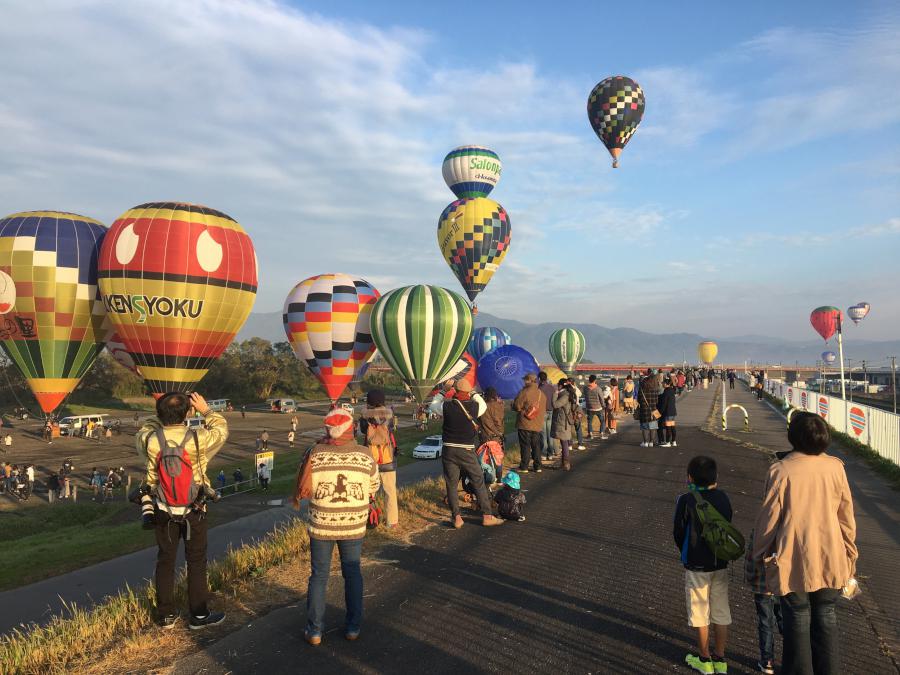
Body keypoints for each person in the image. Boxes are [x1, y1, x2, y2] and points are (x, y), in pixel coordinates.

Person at [752, 412, 857, 675]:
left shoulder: (781, 470)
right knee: (826, 615)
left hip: (793, 556)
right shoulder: (836, 467)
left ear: (793, 437)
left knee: (797, 617)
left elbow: (768, 520)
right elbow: (846, 516)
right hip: (832, 553)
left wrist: (759, 553)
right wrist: (850, 554)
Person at [137, 391, 228, 630]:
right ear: (189, 412)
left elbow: (146, 427)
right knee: (196, 561)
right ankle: (198, 615)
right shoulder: (199, 438)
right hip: (194, 508)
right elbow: (221, 430)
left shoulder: (150, 439)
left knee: (165, 561)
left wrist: (160, 412)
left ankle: (166, 615)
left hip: (161, 508)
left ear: (158, 414)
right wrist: (206, 410)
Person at [299, 408, 380, 645]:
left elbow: (305, 487)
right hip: (353, 523)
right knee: (352, 572)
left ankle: (315, 630)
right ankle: (353, 627)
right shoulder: (364, 455)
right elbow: (373, 486)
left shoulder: (315, 453)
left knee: (319, 576)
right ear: (350, 427)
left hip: (321, 523)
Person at [674, 456, 734, 675]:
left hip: (696, 565)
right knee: (720, 610)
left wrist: (686, 552)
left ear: (689, 478)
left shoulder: (686, 500)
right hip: (720, 562)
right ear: (716, 478)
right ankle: (720, 659)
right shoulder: (723, 498)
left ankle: (704, 659)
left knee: (700, 612)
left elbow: (678, 532)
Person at [441, 379, 505, 528]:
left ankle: (456, 518)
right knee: (478, 481)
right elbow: (482, 404)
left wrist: (444, 390)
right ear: (468, 392)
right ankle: (487, 516)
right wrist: (474, 392)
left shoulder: (447, 406)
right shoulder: (475, 406)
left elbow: (433, 406)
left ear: (455, 390)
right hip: (467, 449)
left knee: (451, 484)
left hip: (448, 449)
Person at [745, 529, 783, 675]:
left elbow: (751, 557)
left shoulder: (759, 529)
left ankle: (767, 661)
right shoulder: (788, 528)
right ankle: (791, 657)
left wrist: (751, 579)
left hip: (762, 585)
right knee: (785, 620)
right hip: (782, 585)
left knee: (765, 622)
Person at [363, 389, 399, 528]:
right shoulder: (389, 416)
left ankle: (369, 518)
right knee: (390, 491)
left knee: (368, 492)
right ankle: (392, 521)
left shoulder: (365, 418)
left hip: (370, 460)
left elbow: (362, 431)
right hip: (387, 458)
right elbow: (392, 430)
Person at [512, 373, 546, 473]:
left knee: (525, 445)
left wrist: (513, 405)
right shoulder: (541, 393)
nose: (524, 382)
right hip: (537, 424)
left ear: (529, 381)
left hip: (525, 423)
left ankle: (524, 466)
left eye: (525, 380)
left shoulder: (525, 392)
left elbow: (517, 406)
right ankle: (538, 466)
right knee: (536, 446)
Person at [551, 378, 578, 471]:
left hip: (563, 421)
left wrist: (555, 393)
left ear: (561, 385)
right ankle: (564, 463)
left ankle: (566, 463)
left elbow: (555, 405)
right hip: (565, 421)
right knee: (564, 442)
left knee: (564, 442)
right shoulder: (568, 394)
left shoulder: (565, 395)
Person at [538, 371, 557, 461]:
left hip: (542, 412)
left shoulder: (539, 389)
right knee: (550, 434)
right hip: (551, 411)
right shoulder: (552, 388)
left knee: (543, 435)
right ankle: (551, 453)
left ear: (539, 379)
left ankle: (544, 453)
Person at [637, 374, 661, 447]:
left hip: (644, 410)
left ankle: (645, 442)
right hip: (653, 410)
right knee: (653, 427)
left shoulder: (641, 390)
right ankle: (651, 442)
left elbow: (639, 400)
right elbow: (657, 401)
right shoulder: (655, 390)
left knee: (644, 427)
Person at [658, 377, 678, 447]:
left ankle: (668, 442)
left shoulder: (666, 392)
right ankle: (674, 441)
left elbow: (664, 404)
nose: (662, 384)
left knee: (668, 428)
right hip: (673, 411)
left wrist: (660, 412)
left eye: (663, 383)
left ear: (666, 384)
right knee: (673, 427)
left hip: (668, 412)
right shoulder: (672, 390)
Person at [584, 375, 606, 439]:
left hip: (589, 408)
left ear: (589, 380)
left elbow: (585, 397)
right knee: (602, 421)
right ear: (595, 380)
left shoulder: (585, 388)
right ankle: (601, 434)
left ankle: (590, 434)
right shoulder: (598, 389)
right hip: (598, 408)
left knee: (589, 422)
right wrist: (603, 406)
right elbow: (601, 399)